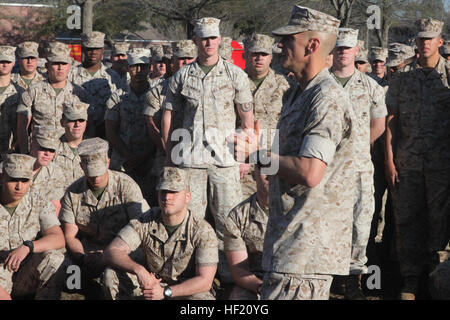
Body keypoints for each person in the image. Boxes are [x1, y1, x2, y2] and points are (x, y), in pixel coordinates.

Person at [229, 5, 357, 300]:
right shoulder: (299, 92)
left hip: (306, 250)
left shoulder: (326, 98)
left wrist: (256, 154)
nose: (280, 45)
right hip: (288, 242)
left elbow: (310, 172)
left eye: (289, 39)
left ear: (312, 45)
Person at [161, 17, 254, 284]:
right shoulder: (182, 75)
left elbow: (246, 118)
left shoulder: (235, 74)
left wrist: (244, 156)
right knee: (191, 221)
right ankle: (192, 277)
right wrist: (169, 152)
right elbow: (169, 114)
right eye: (204, 38)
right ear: (196, 41)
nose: (209, 43)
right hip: (190, 159)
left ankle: (230, 276)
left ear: (220, 40)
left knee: (229, 221)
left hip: (225, 160)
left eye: (213, 38)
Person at [384, 17, 449, 300]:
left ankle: (437, 279)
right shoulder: (402, 77)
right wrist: (388, 160)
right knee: (407, 220)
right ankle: (410, 280)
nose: (423, 43)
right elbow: (391, 121)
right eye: (420, 38)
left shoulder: (448, 78)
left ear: (440, 42)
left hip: (442, 165)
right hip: (407, 163)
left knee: (440, 222)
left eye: (429, 38)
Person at [330, 28, 387, 300]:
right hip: (326, 168)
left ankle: (354, 276)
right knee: (326, 220)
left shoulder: (370, 86)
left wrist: (359, 143)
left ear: (355, 52)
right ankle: (331, 275)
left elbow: (379, 122)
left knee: (360, 221)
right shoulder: (321, 82)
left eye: (347, 48)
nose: (343, 51)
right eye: (338, 47)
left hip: (359, 166)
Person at [103, 166, 218, 300]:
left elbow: (205, 281)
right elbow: (112, 251)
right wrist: (140, 271)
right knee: (111, 276)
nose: (167, 197)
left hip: (183, 290)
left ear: (187, 197)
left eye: (173, 192)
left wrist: (165, 292)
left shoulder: (203, 231)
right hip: (151, 284)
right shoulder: (145, 220)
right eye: (163, 191)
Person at [58, 137, 150, 298]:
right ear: (81, 167)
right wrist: (82, 257)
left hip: (124, 250)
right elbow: (70, 235)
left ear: (107, 163)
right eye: (91, 174)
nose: (96, 178)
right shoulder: (73, 193)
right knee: (62, 271)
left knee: (110, 277)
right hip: (88, 252)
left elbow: (140, 229)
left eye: (99, 173)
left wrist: (108, 255)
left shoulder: (126, 186)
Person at [0, 153, 65, 300]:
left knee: (55, 259)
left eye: (25, 180)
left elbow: (58, 238)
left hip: (25, 270)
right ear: (2, 178)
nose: (19, 186)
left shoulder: (37, 200)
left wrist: (28, 246)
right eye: (13, 180)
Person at [143, 40, 197, 206]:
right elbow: (152, 126)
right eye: (180, 59)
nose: (184, 62)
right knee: (165, 205)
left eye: (189, 58)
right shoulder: (158, 92)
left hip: (196, 159)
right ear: (172, 62)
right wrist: (171, 152)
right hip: (166, 159)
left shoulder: (203, 88)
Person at [240, 33, 292, 198]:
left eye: (264, 54)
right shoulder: (234, 82)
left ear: (271, 57)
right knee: (241, 213)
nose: (259, 58)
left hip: (272, 160)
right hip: (241, 162)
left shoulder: (285, 85)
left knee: (272, 212)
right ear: (245, 55)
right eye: (254, 54)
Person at [16, 41, 86, 154]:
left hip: (68, 155)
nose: (60, 68)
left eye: (63, 64)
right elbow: (22, 128)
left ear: (69, 66)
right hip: (41, 153)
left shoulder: (79, 93)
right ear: (47, 66)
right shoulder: (33, 91)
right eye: (55, 63)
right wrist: (25, 153)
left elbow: (88, 126)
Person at [105, 48, 154, 203]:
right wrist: (128, 155)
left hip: (151, 163)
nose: (139, 71)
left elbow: (161, 129)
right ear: (127, 67)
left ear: (150, 68)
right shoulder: (117, 97)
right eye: (134, 66)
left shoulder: (157, 95)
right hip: (123, 163)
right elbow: (110, 131)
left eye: (143, 66)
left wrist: (145, 156)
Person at [224, 165, 269, 300]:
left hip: (292, 279)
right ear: (254, 174)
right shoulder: (238, 216)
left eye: (275, 169)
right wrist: (262, 288)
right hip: (256, 281)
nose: (270, 175)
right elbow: (239, 271)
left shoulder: (297, 210)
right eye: (264, 169)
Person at [69, 31, 122, 138]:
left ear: (103, 50)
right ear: (83, 49)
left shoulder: (113, 77)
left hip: (105, 133)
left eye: (97, 48)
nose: (93, 52)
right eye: (89, 48)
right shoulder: (71, 75)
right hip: (77, 133)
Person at [28, 126, 65, 216]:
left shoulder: (55, 172)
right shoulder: (13, 166)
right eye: (43, 148)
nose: (47, 153)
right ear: (32, 145)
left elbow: (55, 206)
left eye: (51, 150)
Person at [53, 101, 89, 190]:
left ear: (86, 123)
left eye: (81, 120)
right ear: (62, 122)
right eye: (72, 120)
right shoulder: (52, 149)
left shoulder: (93, 148)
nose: (77, 124)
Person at [0, 45, 22, 154]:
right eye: (1, 61)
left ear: (13, 63)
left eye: (8, 62)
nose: (4, 64)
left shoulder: (20, 93)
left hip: (10, 150)